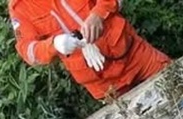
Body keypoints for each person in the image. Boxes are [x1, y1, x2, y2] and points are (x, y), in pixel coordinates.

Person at [9, 0, 171, 100]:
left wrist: (98, 15)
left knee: (177, 81)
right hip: (101, 82)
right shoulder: (19, 7)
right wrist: (54, 45)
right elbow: (27, 51)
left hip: (133, 54)